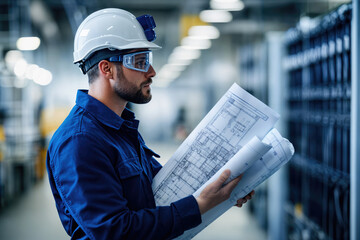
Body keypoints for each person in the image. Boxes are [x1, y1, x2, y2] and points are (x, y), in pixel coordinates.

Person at [46, 8, 254, 240]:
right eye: (140, 61)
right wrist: (198, 205)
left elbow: (160, 187)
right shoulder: (80, 140)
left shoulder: (121, 129)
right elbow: (115, 231)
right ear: (107, 69)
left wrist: (219, 189)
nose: (152, 72)